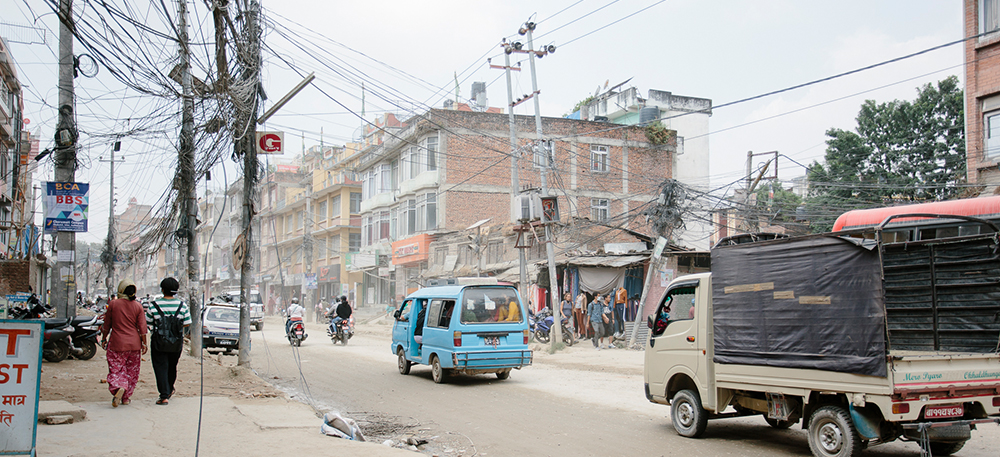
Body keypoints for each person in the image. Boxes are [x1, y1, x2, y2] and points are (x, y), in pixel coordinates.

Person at [100, 279, 148, 407]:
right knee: (132, 371)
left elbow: (107, 325)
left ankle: (119, 386)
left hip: (117, 343)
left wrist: (104, 339)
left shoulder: (114, 304)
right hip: (134, 344)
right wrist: (144, 344)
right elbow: (143, 328)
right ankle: (126, 397)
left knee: (116, 367)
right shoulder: (138, 306)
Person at [147, 277, 191, 405]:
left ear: (162, 289)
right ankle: (170, 388)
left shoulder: (154, 305)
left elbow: (148, 322)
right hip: (176, 342)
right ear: (176, 291)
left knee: (160, 367)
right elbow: (187, 323)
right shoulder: (182, 306)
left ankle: (164, 395)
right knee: (172, 366)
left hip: (158, 342)